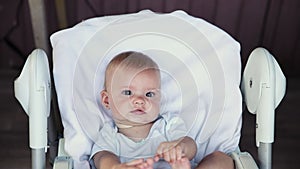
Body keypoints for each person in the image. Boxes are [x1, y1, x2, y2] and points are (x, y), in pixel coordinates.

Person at [91, 51, 235, 169]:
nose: (140, 100)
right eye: (128, 92)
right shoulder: (110, 134)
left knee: (221, 159)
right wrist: (115, 167)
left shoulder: (168, 124)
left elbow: (190, 145)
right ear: (106, 100)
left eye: (149, 94)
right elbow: (102, 157)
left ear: (159, 100)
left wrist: (179, 148)